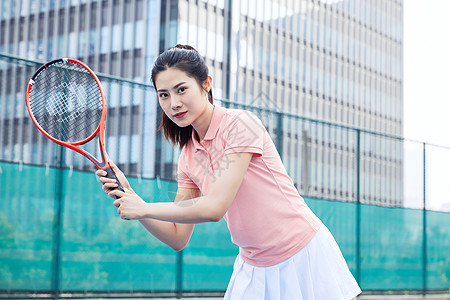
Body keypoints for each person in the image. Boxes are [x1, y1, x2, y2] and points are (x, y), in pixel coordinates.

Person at [96, 44, 362, 300]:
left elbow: (214, 208)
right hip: (253, 266)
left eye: (181, 89)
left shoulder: (240, 125)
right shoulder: (188, 156)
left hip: (303, 254)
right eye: (163, 94)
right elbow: (177, 236)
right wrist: (133, 199)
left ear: (206, 84)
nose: (173, 103)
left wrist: (144, 208)